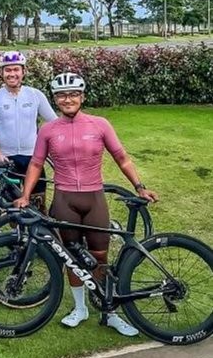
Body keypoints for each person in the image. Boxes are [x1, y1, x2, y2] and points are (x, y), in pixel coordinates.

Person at [14, 72, 159, 336]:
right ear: (55, 99)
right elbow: (36, 164)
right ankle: (80, 308)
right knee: (71, 256)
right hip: (64, 199)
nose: (67, 99)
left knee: (99, 256)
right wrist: (25, 195)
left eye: (72, 94)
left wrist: (139, 186)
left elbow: (121, 157)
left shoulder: (99, 124)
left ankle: (109, 311)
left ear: (82, 96)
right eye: (61, 95)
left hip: (94, 198)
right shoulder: (48, 129)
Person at [0, 51, 58, 211]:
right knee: (13, 209)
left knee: (39, 204)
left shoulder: (35, 95)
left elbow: (55, 122)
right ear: (1, 73)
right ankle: (16, 236)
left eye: (16, 70)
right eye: (8, 70)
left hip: (33, 158)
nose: (12, 74)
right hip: (8, 160)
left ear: (23, 72)